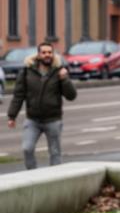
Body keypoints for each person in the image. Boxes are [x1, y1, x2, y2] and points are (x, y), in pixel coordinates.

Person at [6, 41, 78, 169]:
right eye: (44, 52)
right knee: (27, 149)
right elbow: (18, 95)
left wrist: (65, 79)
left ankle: (55, 181)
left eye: (49, 52)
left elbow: (71, 96)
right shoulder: (27, 71)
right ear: (38, 55)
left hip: (53, 120)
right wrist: (12, 116)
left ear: (53, 54)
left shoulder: (58, 71)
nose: (47, 55)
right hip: (32, 120)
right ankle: (33, 176)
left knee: (55, 153)